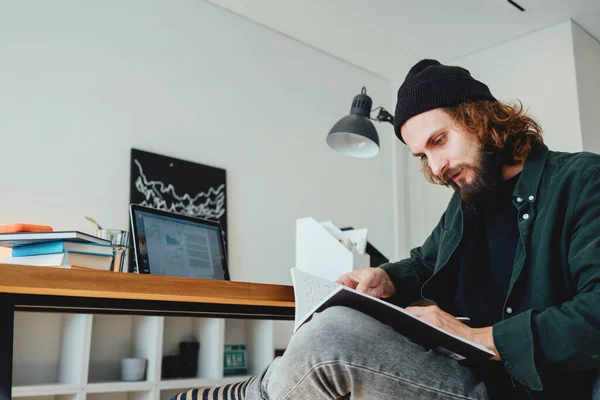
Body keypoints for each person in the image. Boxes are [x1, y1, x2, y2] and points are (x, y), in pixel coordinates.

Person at [172, 60, 600, 400]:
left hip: (524, 388)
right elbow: (425, 261)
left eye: (439, 141)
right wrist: (387, 278)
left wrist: (478, 337)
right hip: (464, 370)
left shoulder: (581, 180)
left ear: (482, 118)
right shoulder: (469, 201)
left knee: (330, 345)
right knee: (337, 319)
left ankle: (256, 394)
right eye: (422, 155)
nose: (436, 167)